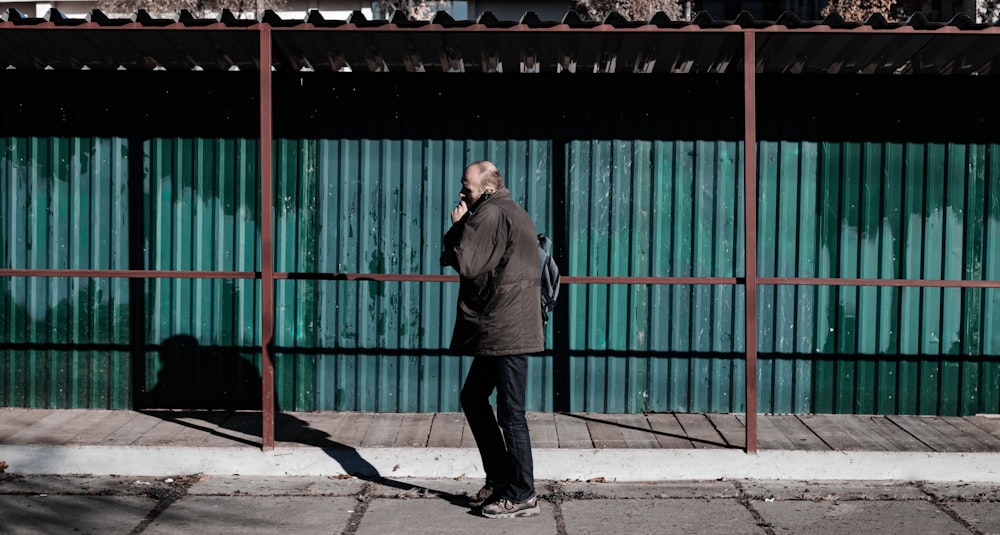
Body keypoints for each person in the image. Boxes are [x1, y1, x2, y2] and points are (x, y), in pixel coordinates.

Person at [439, 160, 544, 519]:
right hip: (505, 325)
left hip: (507, 327)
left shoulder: (489, 214)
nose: (461, 192)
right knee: (473, 397)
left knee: (511, 414)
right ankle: (501, 478)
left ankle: (522, 493)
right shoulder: (510, 209)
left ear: (485, 188)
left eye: (466, 186)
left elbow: (466, 262)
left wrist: (458, 226)